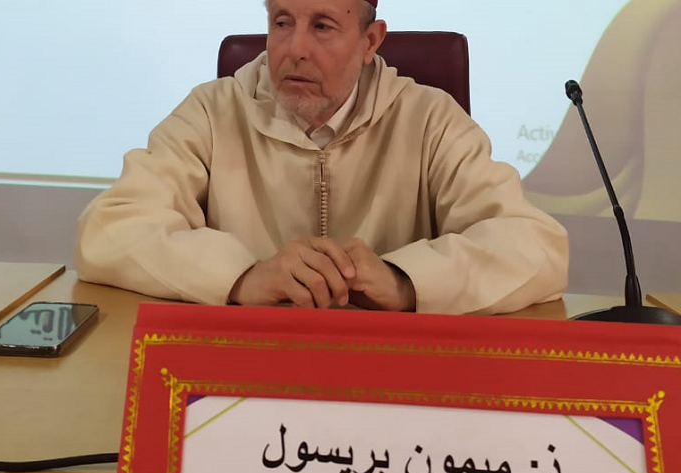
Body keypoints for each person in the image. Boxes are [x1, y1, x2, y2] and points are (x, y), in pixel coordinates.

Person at [75, 0, 569, 315]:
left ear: (370, 41)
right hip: (243, 368)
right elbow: (109, 229)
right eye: (281, 22)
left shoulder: (429, 118)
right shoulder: (213, 110)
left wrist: (405, 281)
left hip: (393, 374)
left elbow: (536, 247)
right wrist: (241, 277)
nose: (295, 49)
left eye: (323, 26)